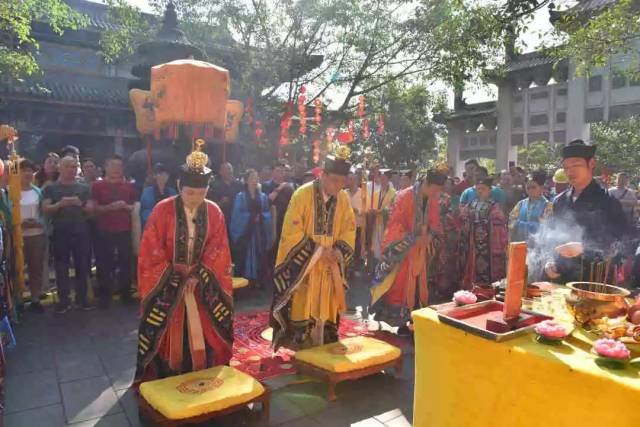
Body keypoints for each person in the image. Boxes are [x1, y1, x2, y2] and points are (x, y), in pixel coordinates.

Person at [134, 142, 233, 384]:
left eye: (201, 193)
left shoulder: (214, 211)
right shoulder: (162, 210)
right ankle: (167, 374)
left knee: (206, 328)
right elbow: (151, 251)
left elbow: (218, 247)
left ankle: (206, 369)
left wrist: (199, 274)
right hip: (171, 283)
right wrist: (177, 278)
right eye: (190, 193)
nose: (195, 199)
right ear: (179, 186)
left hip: (201, 284)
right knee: (168, 329)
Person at [270, 147, 356, 350]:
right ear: (323, 175)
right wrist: (318, 251)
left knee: (327, 306)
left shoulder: (343, 199)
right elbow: (291, 231)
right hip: (306, 268)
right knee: (303, 304)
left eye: (342, 182)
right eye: (334, 180)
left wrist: (338, 251)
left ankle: (325, 342)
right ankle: (301, 345)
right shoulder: (302, 194)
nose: (338, 186)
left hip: (329, 266)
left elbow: (349, 228)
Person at [370, 167, 447, 331]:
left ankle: (415, 319)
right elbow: (394, 224)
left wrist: (430, 236)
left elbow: (435, 222)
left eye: (440, 190)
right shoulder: (405, 196)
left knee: (422, 285)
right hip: (405, 250)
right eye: (436, 189)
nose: (437, 193)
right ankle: (401, 321)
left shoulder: (433, 199)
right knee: (400, 285)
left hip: (423, 250)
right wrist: (412, 239)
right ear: (427, 183)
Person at [544, 140, 629, 284]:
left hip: (594, 281)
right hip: (562, 277)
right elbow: (550, 237)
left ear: (591, 163)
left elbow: (620, 244)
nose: (570, 171)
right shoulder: (559, 201)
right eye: (566, 167)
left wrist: (584, 247)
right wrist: (549, 260)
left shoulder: (608, 202)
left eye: (576, 165)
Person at [43, 156, 94, 313]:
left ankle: (82, 298)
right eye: (68, 166)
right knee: (61, 267)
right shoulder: (51, 188)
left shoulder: (85, 187)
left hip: (81, 232)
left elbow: (91, 209)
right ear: (60, 168)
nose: (71, 169)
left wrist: (80, 204)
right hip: (60, 232)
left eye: (74, 166)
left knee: (82, 265)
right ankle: (63, 300)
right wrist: (60, 204)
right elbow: (45, 209)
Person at [91, 155, 136, 307]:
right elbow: (93, 208)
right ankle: (105, 295)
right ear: (106, 167)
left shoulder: (129, 186)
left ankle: (125, 293)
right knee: (104, 263)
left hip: (124, 229)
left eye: (119, 166)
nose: (116, 169)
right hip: (104, 230)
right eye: (113, 166)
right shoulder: (97, 186)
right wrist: (109, 207)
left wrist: (124, 206)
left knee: (126, 262)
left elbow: (134, 207)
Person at [459, 177, 508, 297]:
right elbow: (463, 217)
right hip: (473, 243)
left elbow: (500, 222)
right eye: (478, 189)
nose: (480, 191)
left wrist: (487, 225)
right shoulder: (471, 204)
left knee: (488, 269)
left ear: (489, 190)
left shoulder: (494, 205)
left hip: (488, 243)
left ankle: (489, 293)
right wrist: (467, 223)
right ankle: (473, 291)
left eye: (483, 189)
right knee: (472, 266)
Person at [229, 169, 272, 287]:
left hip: (259, 231)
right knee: (245, 256)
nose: (254, 180)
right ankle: (245, 281)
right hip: (246, 232)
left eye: (256, 178)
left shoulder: (263, 196)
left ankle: (258, 281)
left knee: (260, 254)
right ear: (246, 180)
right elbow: (237, 215)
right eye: (252, 178)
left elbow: (267, 213)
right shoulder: (241, 196)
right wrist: (252, 218)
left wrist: (262, 217)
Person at [19, 159, 46, 313]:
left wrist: (37, 222)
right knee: (17, 269)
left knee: (36, 268)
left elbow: (44, 214)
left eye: (30, 170)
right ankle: (19, 298)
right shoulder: (10, 191)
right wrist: (20, 223)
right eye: (24, 170)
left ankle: (35, 298)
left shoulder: (38, 191)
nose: (28, 173)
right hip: (17, 236)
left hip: (36, 234)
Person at [509, 170, 553, 243]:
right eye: (528, 188)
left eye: (533, 187)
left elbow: (545, 227)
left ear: (541, 188)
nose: (530, 190)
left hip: (538, 244)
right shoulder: (520, 204)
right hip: (519, 244)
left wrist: (519, 223)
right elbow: (511, 223)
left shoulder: (548, 205)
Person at [368, 169, 396, 263]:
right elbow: (370, 206)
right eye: (381, 178)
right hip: (376, 223)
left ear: (388, 179)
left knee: (385, 246)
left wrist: (380, 211)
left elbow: (392, 209)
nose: (382, 180)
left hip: (386, 224)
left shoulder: (393, 193)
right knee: (376, 247)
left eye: (384, 178)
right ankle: (376, 267)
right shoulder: (376, 193)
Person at [140, 163, 177, 229]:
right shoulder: (147, 191)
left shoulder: (172, 192)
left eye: (166, 174)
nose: (163, 177)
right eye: (160, 174)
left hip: (169, 224)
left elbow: (175, 209)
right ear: (155, 176)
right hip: (152, 224)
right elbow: (145, 211)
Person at [208, 162, 243, 227]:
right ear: (220, 172)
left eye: (230, 169)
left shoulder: (239, 185)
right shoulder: (214, 186)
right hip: (221, 218)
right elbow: (210, 204)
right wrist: (221, 203)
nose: (228, 171)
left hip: (237, 218)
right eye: (225, 169)